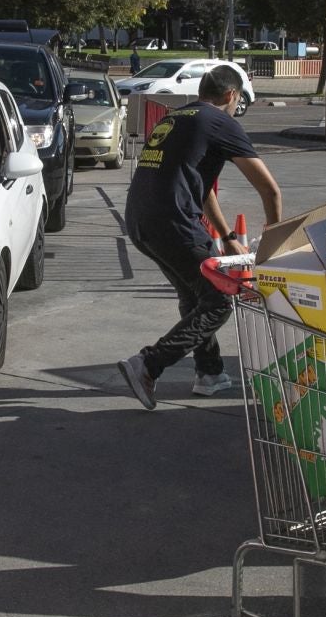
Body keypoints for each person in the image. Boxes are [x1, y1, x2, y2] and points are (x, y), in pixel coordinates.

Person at [118, 65, 284, 408]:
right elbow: (270, 190)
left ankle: (209, 373)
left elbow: (202, 187)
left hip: (139, 220)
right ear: (231, 96)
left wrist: (226, 235)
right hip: (173, 222)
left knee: (195, 295)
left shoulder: (177, 118)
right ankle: (148, 364)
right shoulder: (220, 121)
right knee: (220, 300)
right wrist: (276, 243)